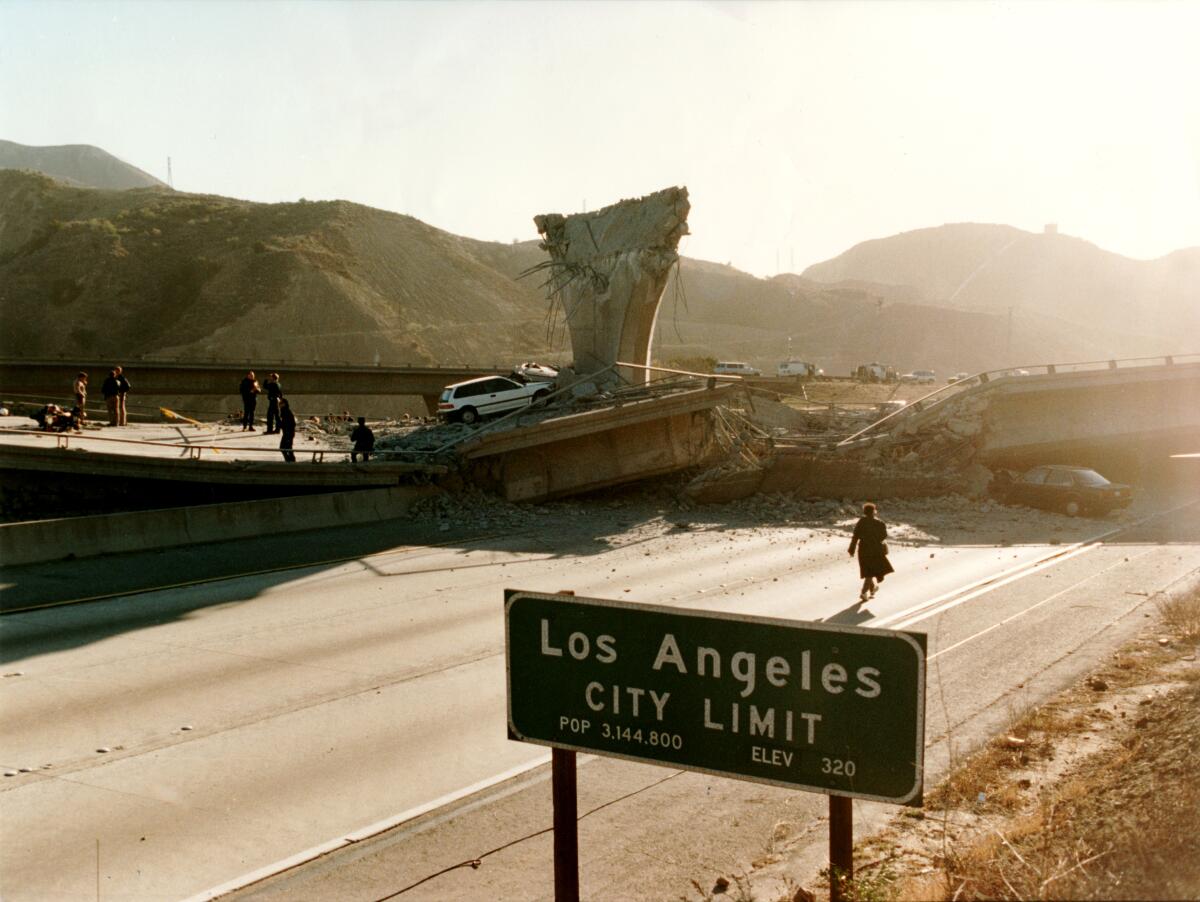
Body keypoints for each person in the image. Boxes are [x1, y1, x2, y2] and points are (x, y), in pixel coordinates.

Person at [848, 502, 894, 602]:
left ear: (864, 512)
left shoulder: (861, 522)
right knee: (870, 572)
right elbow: (883, 536)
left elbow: (855, 536)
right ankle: (864, 592)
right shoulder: (880, 523)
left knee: (868, 569)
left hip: (863, 549)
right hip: (875, 550)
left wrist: (851, 549)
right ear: (874, 511)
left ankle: (872, 589)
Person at [278, 398, 296, 462]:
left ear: (284, 404)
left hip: (288, 433)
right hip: (288, 432)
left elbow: (289, 423)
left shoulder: (286, 412)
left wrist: (280, 424)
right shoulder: (284, 411)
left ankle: (290, 460)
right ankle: (290, 460)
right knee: (287, 447)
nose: (279, 405)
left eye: (280, 403)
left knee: (284, 447)